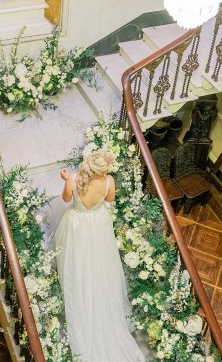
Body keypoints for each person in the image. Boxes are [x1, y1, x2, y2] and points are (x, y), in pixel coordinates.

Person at [54, 150, 145, 362]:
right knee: (101, 262)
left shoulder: (74, 180)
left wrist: (67, 179)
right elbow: (109, 199)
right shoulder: (109, 182)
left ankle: (79, 288)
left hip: (77, 225)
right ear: (105, 170)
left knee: (76, 261)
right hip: (98, 225)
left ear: (88, 164)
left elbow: (66, 199)